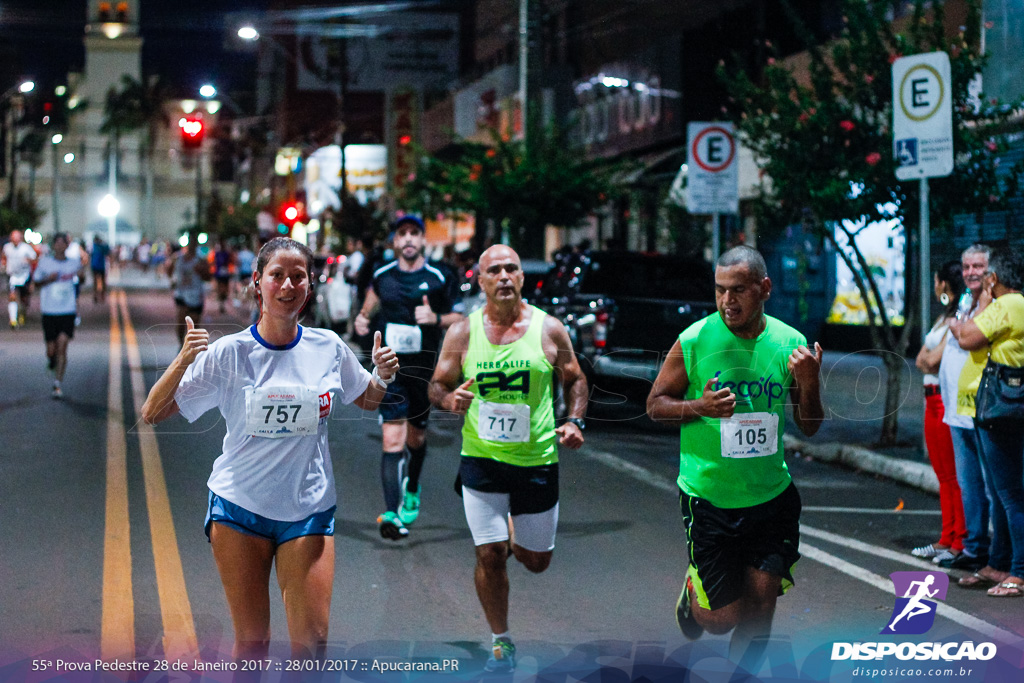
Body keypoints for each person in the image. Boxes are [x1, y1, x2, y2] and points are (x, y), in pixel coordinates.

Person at [140, 237, 399, 660]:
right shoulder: (229, 354)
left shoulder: (328, 347)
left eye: (299, 277)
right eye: (277, 275)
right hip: (241, 509)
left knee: (312, 646)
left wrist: (382, 377)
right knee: (253, 643)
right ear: (257, 283)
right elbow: (153, 411)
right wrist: (184, 359)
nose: (288, 285)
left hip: (308, 508)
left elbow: (366, 398)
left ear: (310, 287)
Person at [646, 245, 823, 667]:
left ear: (764, 288)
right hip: (709, 499)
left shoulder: (789, 342)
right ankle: (694, 595)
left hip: (770, 496)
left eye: (739, 290)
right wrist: (700, 408)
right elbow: (655, 404)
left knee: (761, 607)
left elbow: (810, 424)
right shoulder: (695, 339)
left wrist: (810, 381)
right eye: (721, 290)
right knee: (723, 619)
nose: (728, 301)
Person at [428, 244, 587, 673]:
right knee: (491, 554)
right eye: (493, 270)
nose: (503, 276)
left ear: (521, 278)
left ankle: (516, 529)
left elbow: (575, 379)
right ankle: (501, 639)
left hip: (537, 459)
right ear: (480, 282)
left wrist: (575, 421)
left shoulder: (549, 329)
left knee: (536, 561)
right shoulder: (463, 332)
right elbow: (437, 385)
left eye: (510, 269)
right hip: (481, 457)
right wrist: (449, 399)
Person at [354, 216, 463, 540]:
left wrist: (437, 318)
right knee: (392, 439)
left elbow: (460, 316)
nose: (409, 239)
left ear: (422, 240)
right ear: (395, 241)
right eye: (402, 234)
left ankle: (412, 484)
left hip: (425, 371)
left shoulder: (441, 276)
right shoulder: (382, 275)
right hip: (392, 369)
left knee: (416, 439)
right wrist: (362, 317)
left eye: (414, 233)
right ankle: (391, 513)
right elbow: (373, 298)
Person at [948, 251, 1024, 597]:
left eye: (987, 274)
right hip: (996, 409)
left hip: (1001, 410)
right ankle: (999, 563)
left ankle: (1017, 572)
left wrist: (982, 305)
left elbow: (966, 336)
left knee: (1008, 495)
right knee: (1002, 492)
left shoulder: (1007, 305)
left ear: (995, 278)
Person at [937, 244, 1011, 587]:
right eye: (965, 266)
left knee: (999, 491)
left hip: (987, 410)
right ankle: (976, 547)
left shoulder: (999, 305)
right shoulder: (965, 302)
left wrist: (958, 328)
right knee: (970, 486)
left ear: (991, 271)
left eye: (977, 266)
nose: (969, 273)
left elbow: (966, 338)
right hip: (959, 408)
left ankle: (1000, 558)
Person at [910, 261, 967, 564]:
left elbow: (931, 362)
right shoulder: (943, 318)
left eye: (936, 281)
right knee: (943, 475)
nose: (934, 287)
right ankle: (946, 539)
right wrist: (928, 358)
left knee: (954, 476)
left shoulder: (958, 317)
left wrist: (928, 358)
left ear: (944, 285)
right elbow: (922, 358)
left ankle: (959, 540)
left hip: (944, 401)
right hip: (930, 401)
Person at [32, 233, 86, 399]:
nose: (61, 246)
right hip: (49, 311)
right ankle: (52, 361)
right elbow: (36, 283)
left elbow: (81, 280)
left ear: (67, 246)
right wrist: (49, 279)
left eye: (64, 243)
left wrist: (82, 276)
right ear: (53, 245)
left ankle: (57, 384)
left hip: (67, 311)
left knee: (62, 346)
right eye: (58, 243)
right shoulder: (45, 263)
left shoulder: (73, 263)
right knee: (51, 350)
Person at [170, 240, 210, 346]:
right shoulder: (177, 258)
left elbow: (208, 277)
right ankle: (181, 345)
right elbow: (169, 271)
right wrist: (173, 280)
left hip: (196, 295)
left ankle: (192, 348)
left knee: (194, 324)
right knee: (181, 319)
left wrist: (201, 271)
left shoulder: (201, 260)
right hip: (181, 293)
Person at [3, 229, 38, 328]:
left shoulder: (26, 248)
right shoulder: (7, 247)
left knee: (24, 298)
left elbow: (35, 258)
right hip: (13, 275)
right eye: (13, 238)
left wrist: (28, 260)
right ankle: (13, 320)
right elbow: (4, 257)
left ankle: (22, 313)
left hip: (24, 276)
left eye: (17, 238)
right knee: (12, 296)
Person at [211, 238, 236, 313]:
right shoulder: (216, 253)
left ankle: (223, 303)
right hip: (219, 274)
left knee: (225, 290)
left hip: (225, 274)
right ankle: (221, 304)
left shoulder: (227, 253)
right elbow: (214, 262)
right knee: (220, 289)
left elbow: (231, 261)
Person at [90, 235, 110, 304]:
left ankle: (100, 295)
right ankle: (99, 295)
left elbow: (107, 252)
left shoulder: (96, 246)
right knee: (100, 281)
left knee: (99, 281)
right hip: (98, 266)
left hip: (97, 265)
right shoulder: (97, 246)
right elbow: (107, 252)